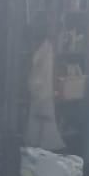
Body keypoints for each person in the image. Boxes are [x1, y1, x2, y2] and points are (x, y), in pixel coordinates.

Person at [25, 15, 63, 150]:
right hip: (39, 92)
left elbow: (44, 73)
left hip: (42, 93)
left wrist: (34, 86)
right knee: (38, 131)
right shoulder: (43, 47)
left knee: (42, 129)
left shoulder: (47, 49)